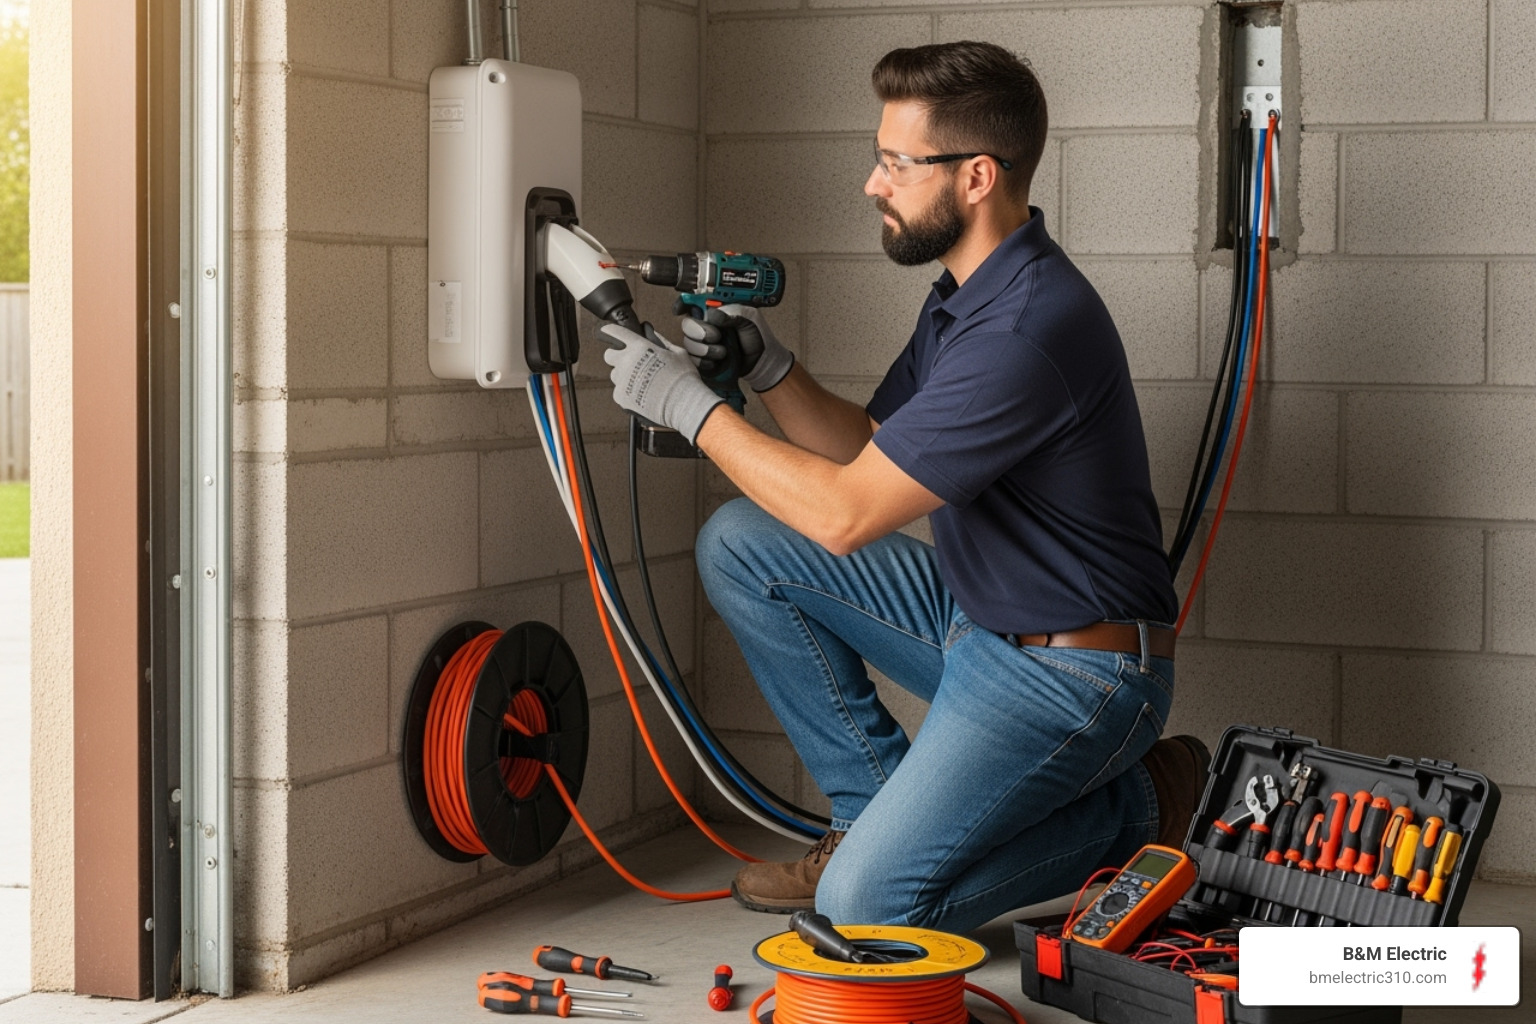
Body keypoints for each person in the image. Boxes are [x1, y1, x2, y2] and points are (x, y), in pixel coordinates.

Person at [599, 40, 1208, 933]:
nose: (872, 184)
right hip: (977, 619)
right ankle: (868, 822)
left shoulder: (1028, 326)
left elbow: (846, 514)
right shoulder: (965, 296)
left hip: (1079, 673)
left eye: (896, 162)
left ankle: (1144, 807)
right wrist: (769, 371)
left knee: (867, 908)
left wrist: (693, 411)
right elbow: (872, 450)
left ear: (976, 177)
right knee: (743, 544)